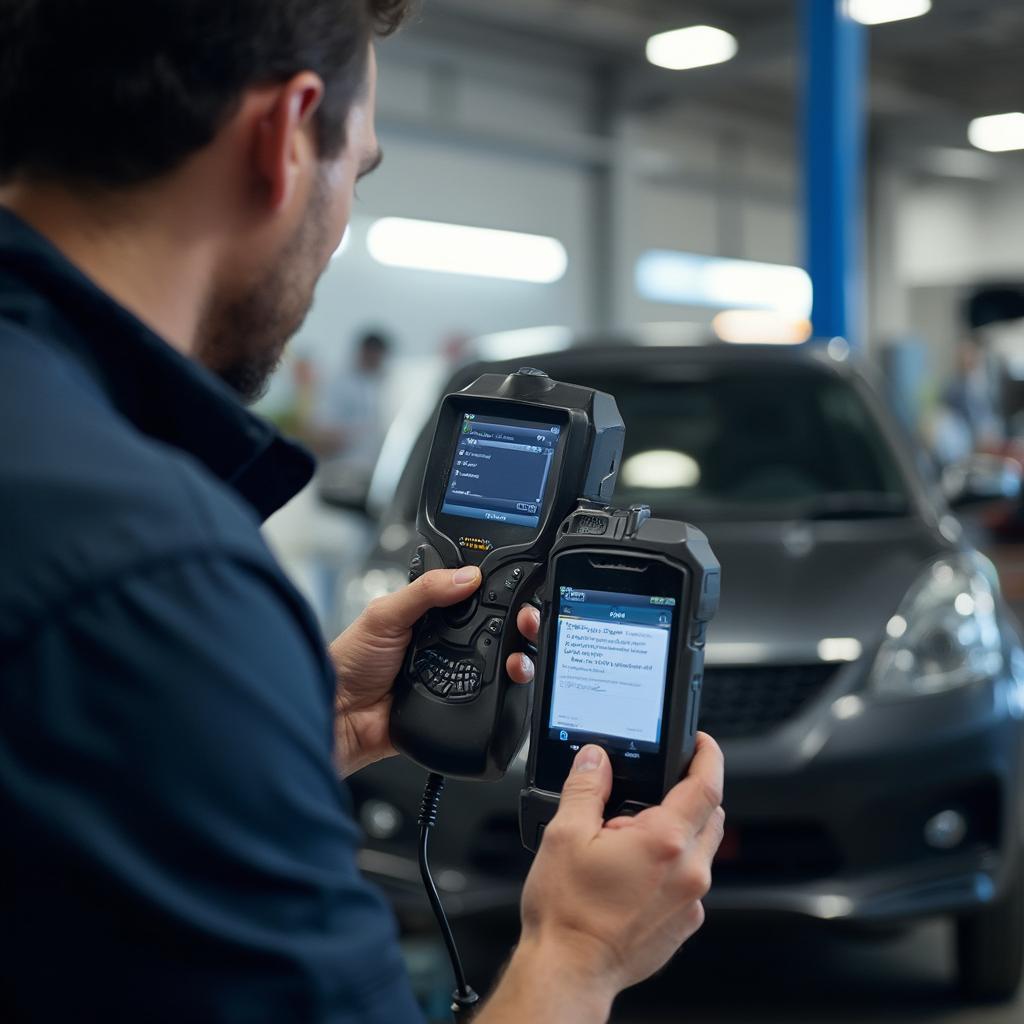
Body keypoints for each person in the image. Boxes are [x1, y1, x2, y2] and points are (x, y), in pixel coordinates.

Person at [0, 2, 725, 1022]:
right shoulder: (154, 578)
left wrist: (285, 726)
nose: (339, 224)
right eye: (360, 169)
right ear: (285, 136)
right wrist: (578, 951)